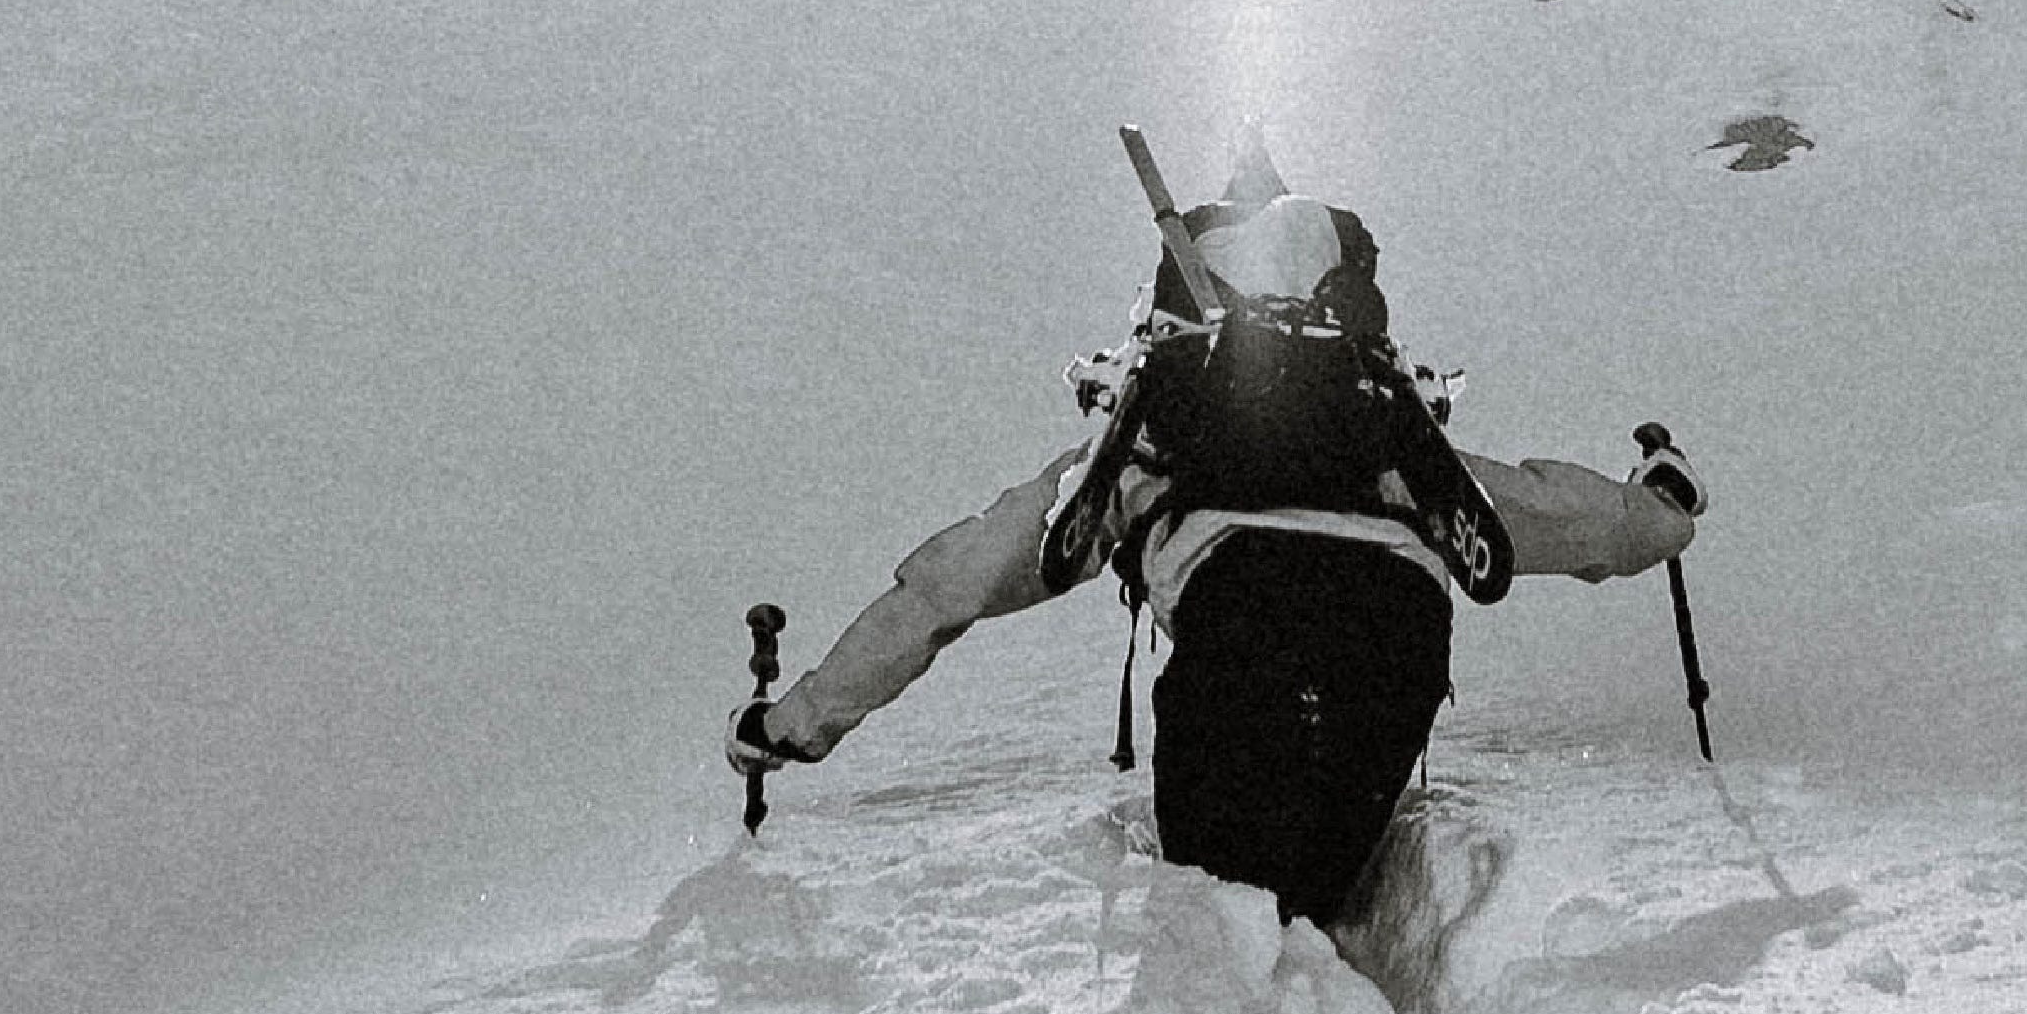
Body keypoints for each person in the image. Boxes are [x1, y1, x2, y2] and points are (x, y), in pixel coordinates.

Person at [728, 149, 1704, 927]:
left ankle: (1252, 1012)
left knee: (1231, 911)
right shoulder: (1376, 421)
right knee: (1317, 893)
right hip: (1397, 629)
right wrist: (1658, 512)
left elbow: (952, 586)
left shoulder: (1156, 429)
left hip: (1233, 624)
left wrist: (792, 724)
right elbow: (1544, 515)